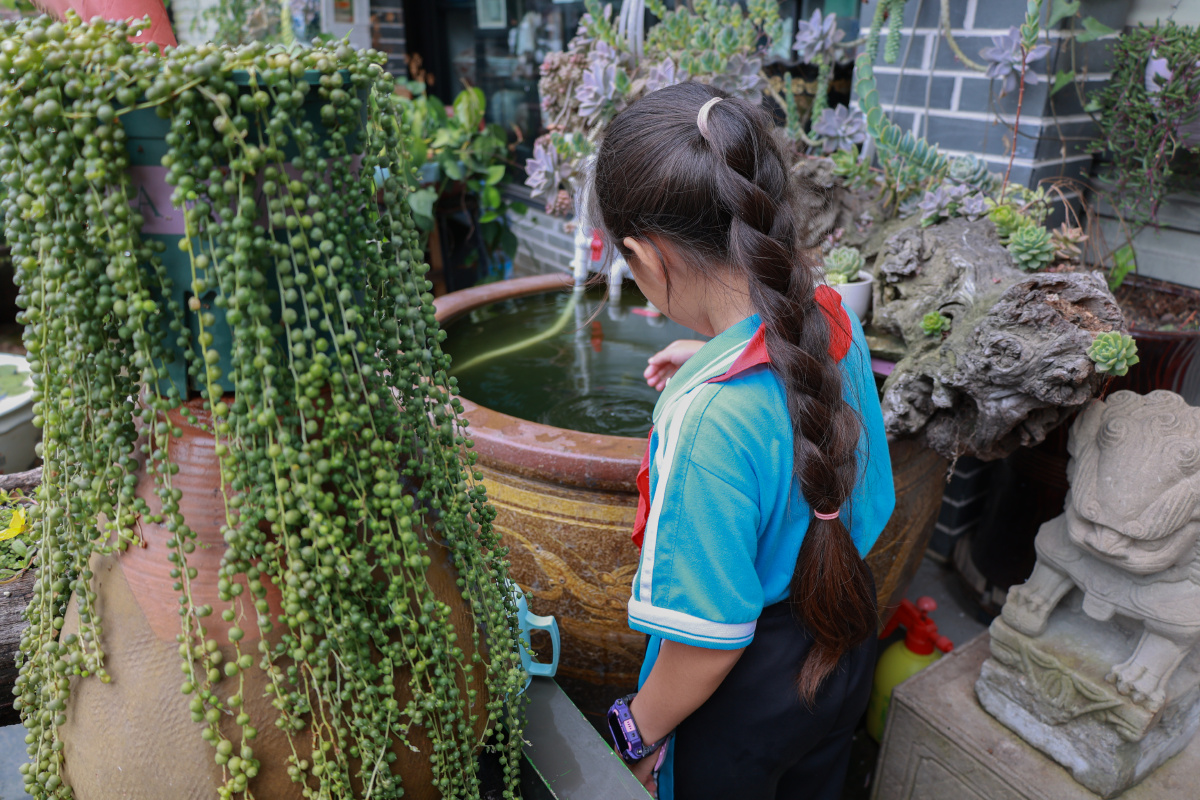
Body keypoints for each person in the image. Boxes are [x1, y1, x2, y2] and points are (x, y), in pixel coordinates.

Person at [590, 82, 895, 800]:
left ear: (646, 257)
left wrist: (634, 733)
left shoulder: (705, 423)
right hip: (846, 635)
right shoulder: (828, 316)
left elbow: (704, 645)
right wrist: (711, 355)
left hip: (745, 695)